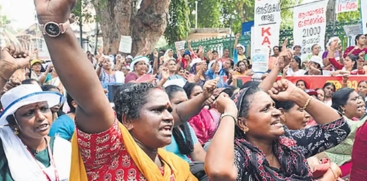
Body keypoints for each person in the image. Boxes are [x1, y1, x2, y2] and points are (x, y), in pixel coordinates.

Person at [33, 1, 216, 180]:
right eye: (157, 110)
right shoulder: (110, 152)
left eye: (168, 110)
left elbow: (180, 113)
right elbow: (90, 99)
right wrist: (54, 22)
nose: (169, 116)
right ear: (127, 120)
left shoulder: (176, 167)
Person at [205, 79, 350, 180]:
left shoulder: (289, 144)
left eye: (273, 105)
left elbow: (339, 129)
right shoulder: (241, 156)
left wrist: (297, 95)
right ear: (242, 124)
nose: (276, 112)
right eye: (265, 109)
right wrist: (229, 111)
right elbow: (219, 172)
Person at [0, 84, 70, 180]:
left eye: (44, 109)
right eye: (29, 113)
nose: (41, 117)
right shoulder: (6, 148)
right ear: (13, 122)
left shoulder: (63, 147)